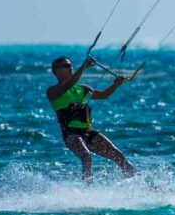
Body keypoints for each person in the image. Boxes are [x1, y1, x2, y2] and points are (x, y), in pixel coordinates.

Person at [46, 56, 136, 184]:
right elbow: (68, 85)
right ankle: (88, 189)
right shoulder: (52, 91)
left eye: (71, 65)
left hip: (87, 131)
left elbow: (104, 95)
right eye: (66, 66)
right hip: (70, 133)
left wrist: (116, 84)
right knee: (86, 156)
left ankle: (137, 181)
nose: (70, 67)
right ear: (56, 71)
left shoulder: (83, 89)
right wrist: (83, 67)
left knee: (118, 155)